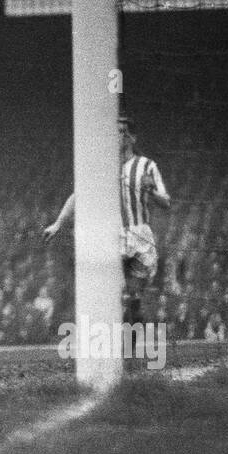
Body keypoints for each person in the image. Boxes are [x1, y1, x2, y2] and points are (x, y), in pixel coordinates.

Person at [43, 116, 171, 324]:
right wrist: (58, 223)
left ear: (131, 138)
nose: (116, 137)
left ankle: (130, 337)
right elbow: (79, 194)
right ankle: (112, 338)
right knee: (114, 294)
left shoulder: (146, 166)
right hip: (113, 237)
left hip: (140, 236)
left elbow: (165, 202)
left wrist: (152, 191)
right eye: (114, 132)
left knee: (133, 298)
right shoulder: (103, 167)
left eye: (121, 132)